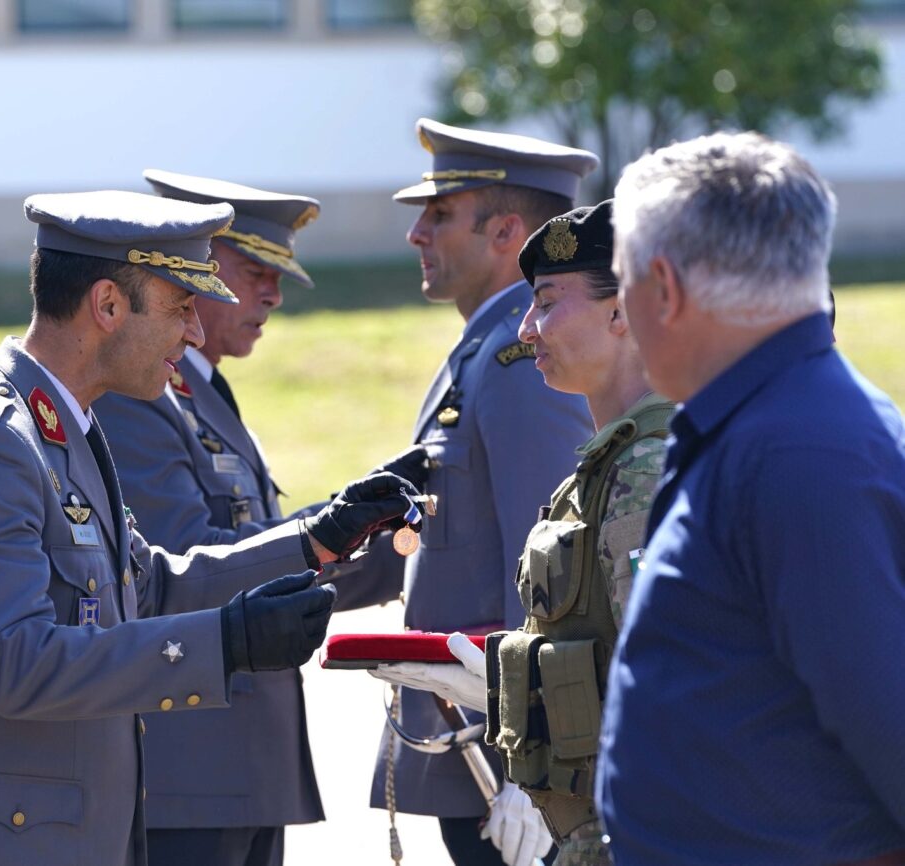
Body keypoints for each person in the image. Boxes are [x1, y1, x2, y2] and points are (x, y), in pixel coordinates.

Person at [0, 190, 420, 866]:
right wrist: (224, 643)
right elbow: (19, 666)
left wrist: (316, 539)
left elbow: (152, 586)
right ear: (108, 305)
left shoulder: (64, 431)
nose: (196, 334)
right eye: (181, 308)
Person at [594, 132, 905, 864]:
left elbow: (888, 718)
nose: (623, 316)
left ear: (663, 288)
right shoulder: (769, 422)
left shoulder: (800, 455)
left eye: (622, 281)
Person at [94, 170, 414, 866]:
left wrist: (386, 540)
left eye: (277, 276)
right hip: (192, 763)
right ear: (193, 271)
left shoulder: (200, 392)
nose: (272, 294)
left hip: (236, 759)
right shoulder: (139, 398)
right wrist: (354, 535)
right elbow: (189, 566)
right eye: (254, 271)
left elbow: (255, 548)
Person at [372, 200, 674, 866]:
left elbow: (667, 684)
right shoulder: (608, 466)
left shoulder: (647, 469)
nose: (528, 328)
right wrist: (503, 686)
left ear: (622, 312)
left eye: (547, 303)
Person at [368, 118, 598, 866]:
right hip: (473, 740)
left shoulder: (519, 363)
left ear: (505, 232)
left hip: (505, 759)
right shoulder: (483, 351)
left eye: (439, 214)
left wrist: (538, 764)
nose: (417, 234)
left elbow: (554, 572)